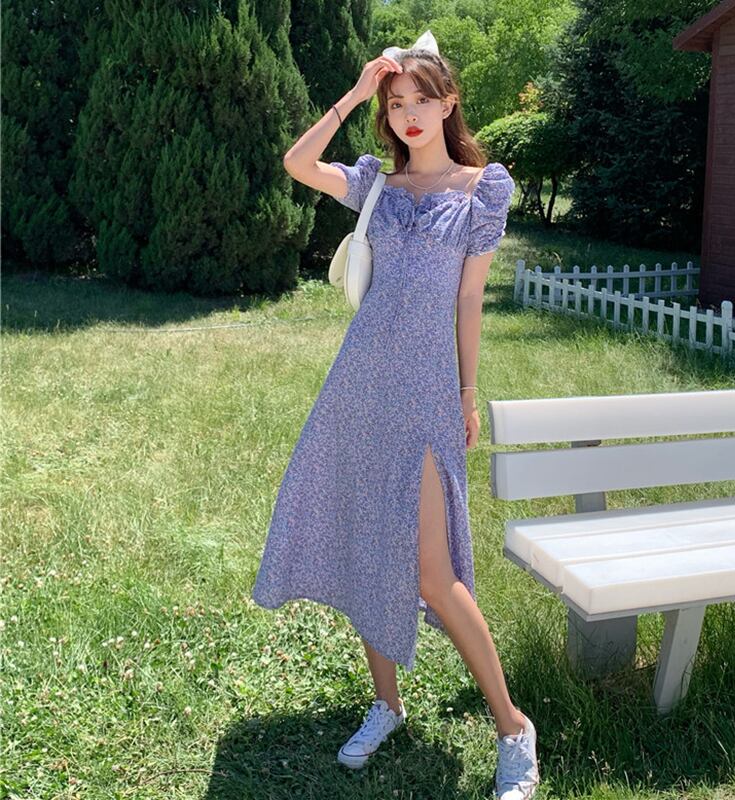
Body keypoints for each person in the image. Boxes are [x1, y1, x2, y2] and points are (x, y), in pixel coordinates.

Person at [251, 28, 540, 800]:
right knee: (364, 547)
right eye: (395, 102)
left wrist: (465, 393)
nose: (407, 114)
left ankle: (513, 726)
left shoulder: (483, 189)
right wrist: (353, 92)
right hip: (358, 389)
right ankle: (386, 704)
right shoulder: (376, 181)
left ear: (449, 104)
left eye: (420, 99)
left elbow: (470, 299)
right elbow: (298, 163)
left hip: (424, 393)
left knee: (434, 575)